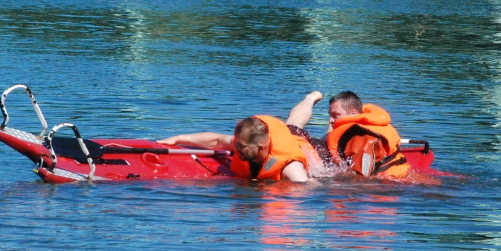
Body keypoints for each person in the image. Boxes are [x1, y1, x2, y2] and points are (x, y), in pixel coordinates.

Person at [158, 97, 326, 182]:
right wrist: (178, 138)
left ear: (260, 148)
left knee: (295, 124)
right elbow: (216, 140)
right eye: (236, 143)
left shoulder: (290, 167)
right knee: (292, 122)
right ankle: (309, 98)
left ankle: (310, 99)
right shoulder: (244, 143)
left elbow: (307, 186)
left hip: (302, 144)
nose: (236, 149)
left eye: (242, 146)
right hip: (273, 137)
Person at [322, 91, 410, 179]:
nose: (330, 120)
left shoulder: (363, 138)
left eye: (335, 115)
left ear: (354, 113)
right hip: (400, 173)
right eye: (330, 115)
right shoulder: (358, 129)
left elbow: (361, 179)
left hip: (389, 182)